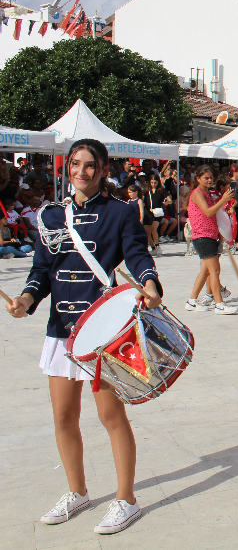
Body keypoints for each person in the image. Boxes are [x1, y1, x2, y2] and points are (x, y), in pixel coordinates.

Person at [5, 139, 162, 535]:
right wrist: (26, 299)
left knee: (111, 416)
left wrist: (149, 282)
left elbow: (138, 254)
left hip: (103, 332)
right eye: (75, 164)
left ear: (104, 168)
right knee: (63, 417)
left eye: (90, 165)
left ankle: (126, 499)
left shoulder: (121, 213)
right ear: (67, 167)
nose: (81, 172)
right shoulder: (50, 216)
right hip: (62, 330)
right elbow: (42, 270)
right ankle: (77, 491)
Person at [185, 166, 238, 315]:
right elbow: (208, 212)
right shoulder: (197, 194)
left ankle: (192, 301)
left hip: (209, 235)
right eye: (206, 178)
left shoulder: (206, 193)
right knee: (214, 271)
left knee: (205, 271)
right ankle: (219, 304)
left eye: (210, 178)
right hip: (203, 236)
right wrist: (223, 200)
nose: (209, 180)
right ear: (198, 179)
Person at [143, 173, 167, 255]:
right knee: (147, 232)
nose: (153, 184)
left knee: (153, 229)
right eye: (152, 182)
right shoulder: (146, 191)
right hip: (148, 211)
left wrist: (166, 202)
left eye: (155, 182)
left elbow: (168, 199)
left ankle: (157, 246)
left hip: (157, 212)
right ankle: (153, 247)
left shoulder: (162, 190)